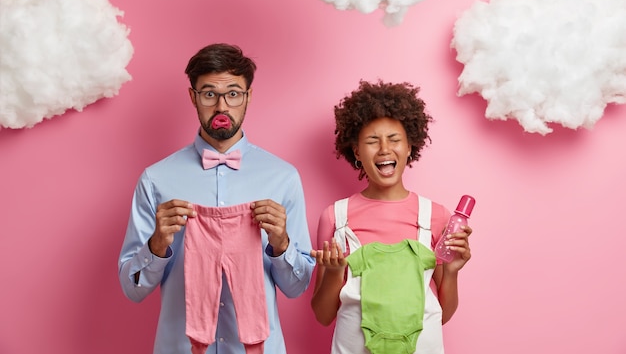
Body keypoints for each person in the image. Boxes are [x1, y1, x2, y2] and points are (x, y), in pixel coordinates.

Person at [118, 43, 315, 354]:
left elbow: (297, 288)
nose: (222, 107)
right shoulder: (156, 180)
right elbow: (133, 289)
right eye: (209, 94)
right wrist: (156, 245)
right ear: (193, 97)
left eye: (233, 94)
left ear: (248, 96)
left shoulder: (283, 178)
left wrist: (281, 243)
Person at [310, 80, 473, 354]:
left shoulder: (436, 216)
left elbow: (441, 315)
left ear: (410, 147)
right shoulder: (335, 217)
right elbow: (323, 315)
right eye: (372, 141)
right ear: (357, 153)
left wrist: (453, 272)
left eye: (394, 139)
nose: (384, 148)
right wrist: (335, 272)